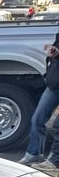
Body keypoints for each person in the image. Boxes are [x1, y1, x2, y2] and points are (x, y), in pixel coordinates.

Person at [19, 26, 59, 168]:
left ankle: (55, 161)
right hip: (54, 84)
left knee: (58, 125)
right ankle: (33, 153)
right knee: (37, 119)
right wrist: (52, 52)